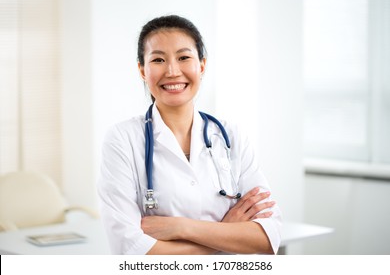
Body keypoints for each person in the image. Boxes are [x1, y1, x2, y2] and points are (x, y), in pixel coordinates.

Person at [97, 14, 282, 255]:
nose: (172, 71)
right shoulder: (123, 140)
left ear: (202, 65)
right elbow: (131, 250)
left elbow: (268, 237)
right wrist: (225, 233)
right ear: (142, 70)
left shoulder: (230, 137)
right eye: (158, 60)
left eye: (184, 57)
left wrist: (181, 228)